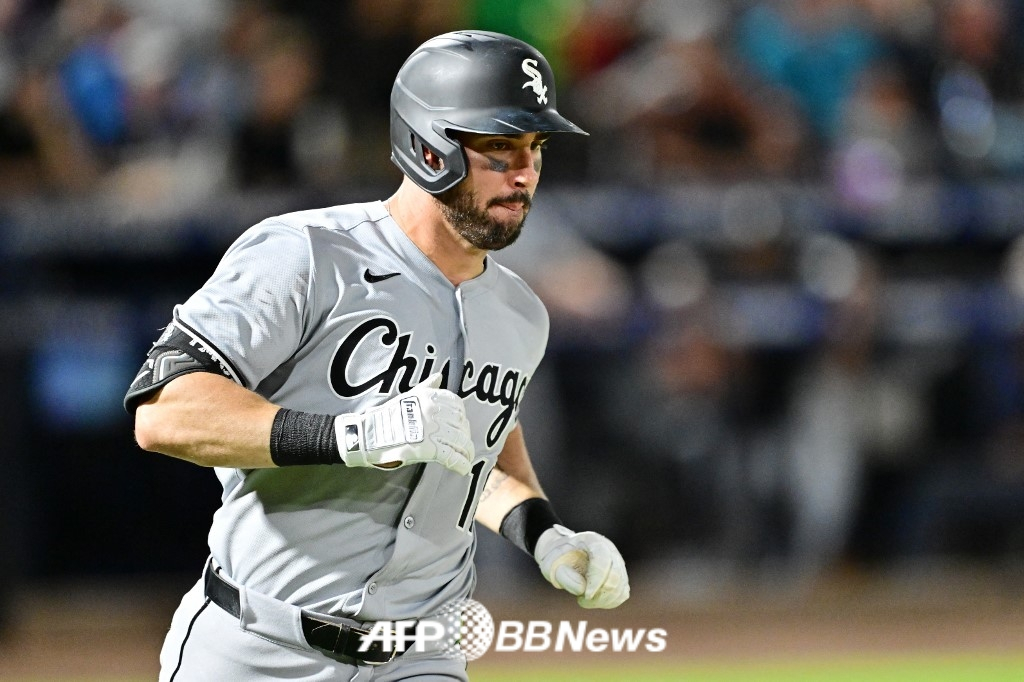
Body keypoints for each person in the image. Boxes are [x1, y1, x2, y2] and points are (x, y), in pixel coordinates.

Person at [125, 30, 629, 681]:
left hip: (422, 656)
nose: (524, 172)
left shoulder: (521, 314)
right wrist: (353, 435)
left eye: (536, 147)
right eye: (499, 147)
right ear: (428, 146)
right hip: (261, 647)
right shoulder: (308, 254)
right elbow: (165, 413)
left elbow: (476, 446)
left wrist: (545, 535)